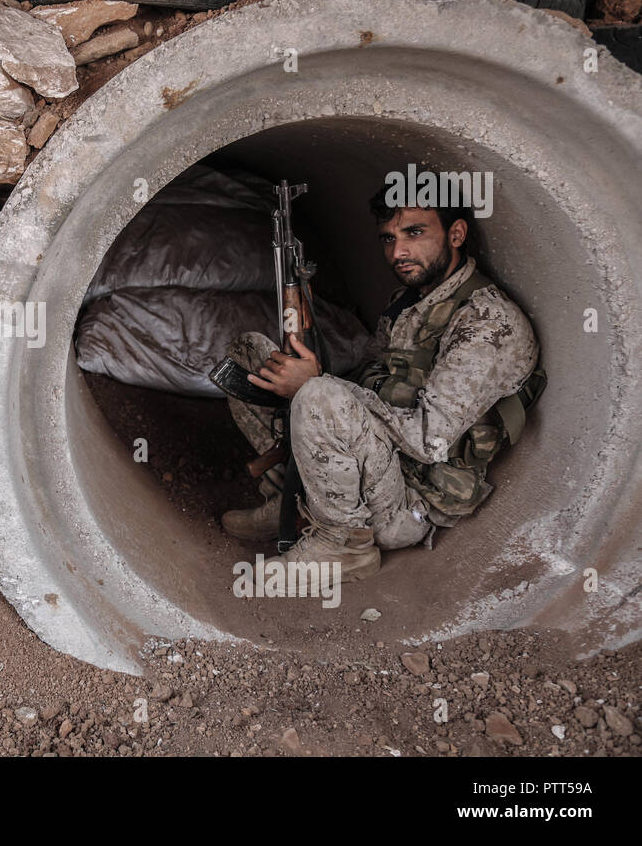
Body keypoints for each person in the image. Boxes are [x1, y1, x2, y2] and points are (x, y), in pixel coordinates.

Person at [219, 185, 541, 580]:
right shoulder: (409, 301)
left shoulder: (487, 323)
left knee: (318, 392)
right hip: (370, 462)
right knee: (251, 354)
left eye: (415, 233)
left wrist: (318, 384)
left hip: (408, 499)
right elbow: (372, 381)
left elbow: (430, 440)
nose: (398, 252)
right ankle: (289, 501)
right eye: (389, 238)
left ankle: (344, 544)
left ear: (456, 235)